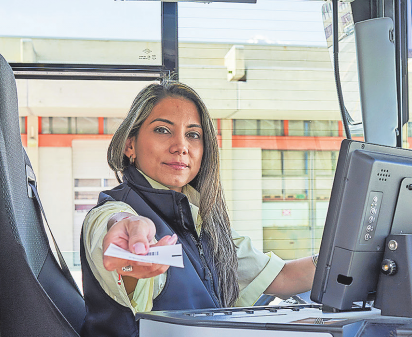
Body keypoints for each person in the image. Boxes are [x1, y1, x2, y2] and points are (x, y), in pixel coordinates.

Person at [80, 81, 317, 336]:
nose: (181, 146)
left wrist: (351, 257)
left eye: (193, 134)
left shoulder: (201, 221)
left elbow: (283, 276)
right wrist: (127, 236)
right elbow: (115, 225)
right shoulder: (114, 210)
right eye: (162, 130)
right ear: (130, 145)